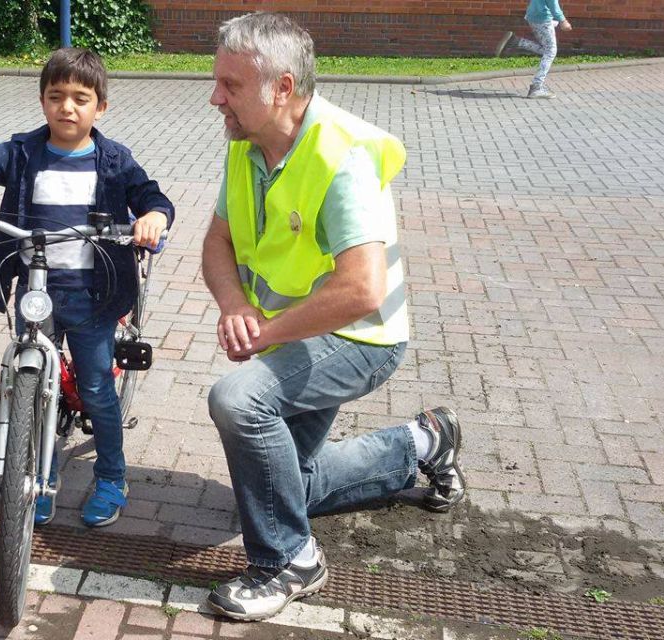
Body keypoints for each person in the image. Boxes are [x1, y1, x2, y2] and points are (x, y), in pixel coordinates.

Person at [201, 12, 465, 621]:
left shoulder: (341, 156)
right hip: (300, 333)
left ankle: (289, 560)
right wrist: (235, 304)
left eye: (231, 86)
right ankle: (426, 440)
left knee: (239, 400)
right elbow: (217, 242)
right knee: (282, 487)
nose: (216, 98)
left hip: (361, 339)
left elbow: (362, 291)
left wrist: (263, 334)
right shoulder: (248, 146)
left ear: (283, 88)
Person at [0, 47, 174, 528]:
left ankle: (112, 477)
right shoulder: (21, 153)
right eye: (56, 96)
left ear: (100, 107)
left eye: (81, 98)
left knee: (97, 386)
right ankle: (34, 474)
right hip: (37, 288)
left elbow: (150, 194)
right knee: (31, 390)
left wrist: (154, 216)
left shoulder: (114, 160)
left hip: (94, 295)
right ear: (42, 101)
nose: (67, 108)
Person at [494, 0, 573, 98]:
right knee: (550, 52)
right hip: (542, 19)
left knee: (546, 50)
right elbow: (553, 5)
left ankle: (516, 42)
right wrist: (563, 21)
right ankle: (536, 87)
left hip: (533, 16)